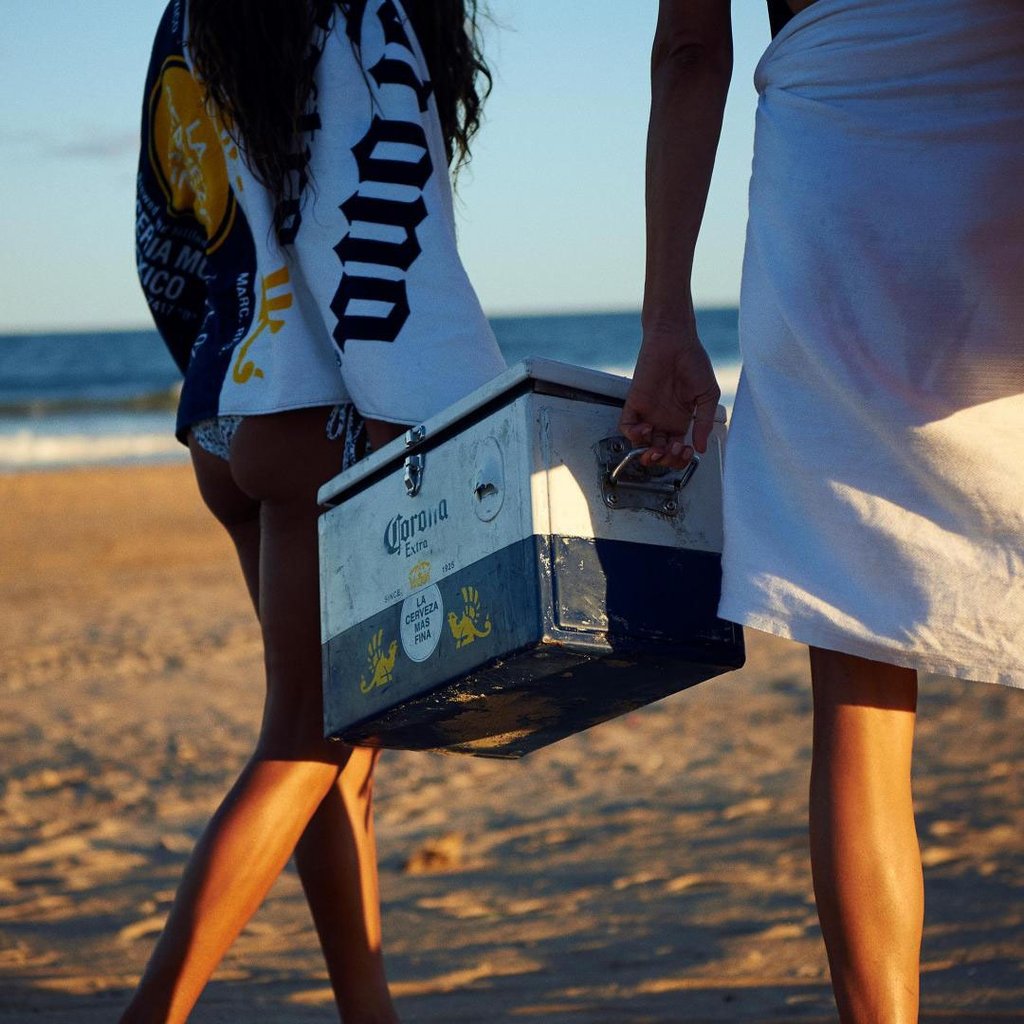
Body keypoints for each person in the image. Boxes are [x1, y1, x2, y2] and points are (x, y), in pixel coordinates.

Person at [620, 1, 1023, 1021]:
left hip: (836, 178)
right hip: (996, 133)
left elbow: (691, 49)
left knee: (859, 692)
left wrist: (666, 318)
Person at [125, 1, 504, 1020]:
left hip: (230, 404)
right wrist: (414, 420)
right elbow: (386, 239)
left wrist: (223, 376)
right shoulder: (362, 13)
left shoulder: (197, 14)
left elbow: (162, 231)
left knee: (335, 750)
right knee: (306, 742)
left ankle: (367, 1010)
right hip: (327, 412)